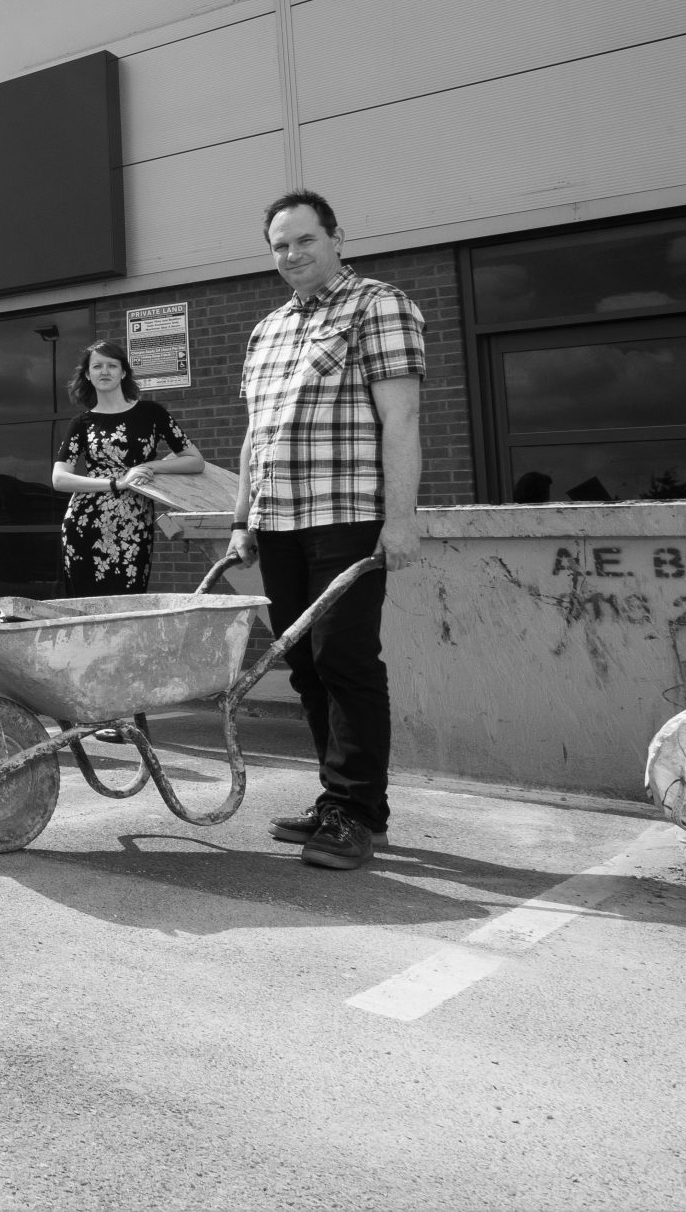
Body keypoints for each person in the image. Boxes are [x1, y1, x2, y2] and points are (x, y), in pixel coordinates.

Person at [228, 190, 426, 872]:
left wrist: (400, 520)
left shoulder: (379, 305)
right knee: (306, 663)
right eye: (279, 245)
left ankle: (358, 811)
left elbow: (402, 419)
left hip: (346, 515)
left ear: (337, 238)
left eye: (304, 239)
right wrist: (242, 519)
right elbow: (255, 435)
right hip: (278, 523)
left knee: (345, 658)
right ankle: (339, 800)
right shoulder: (267, 329)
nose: (292, 254)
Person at [47, 338, 203, 596]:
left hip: (134, 522)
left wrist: (149, 466)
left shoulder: (151, 413)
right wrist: (117, 483)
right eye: (97, 366)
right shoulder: (82, 423)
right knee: (84, 605)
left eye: (112, 365)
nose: (104, 371)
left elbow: (194, 461)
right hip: (85, 523)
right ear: (87, 375)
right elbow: (59, 479)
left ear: (123, 372)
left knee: (130, 598)